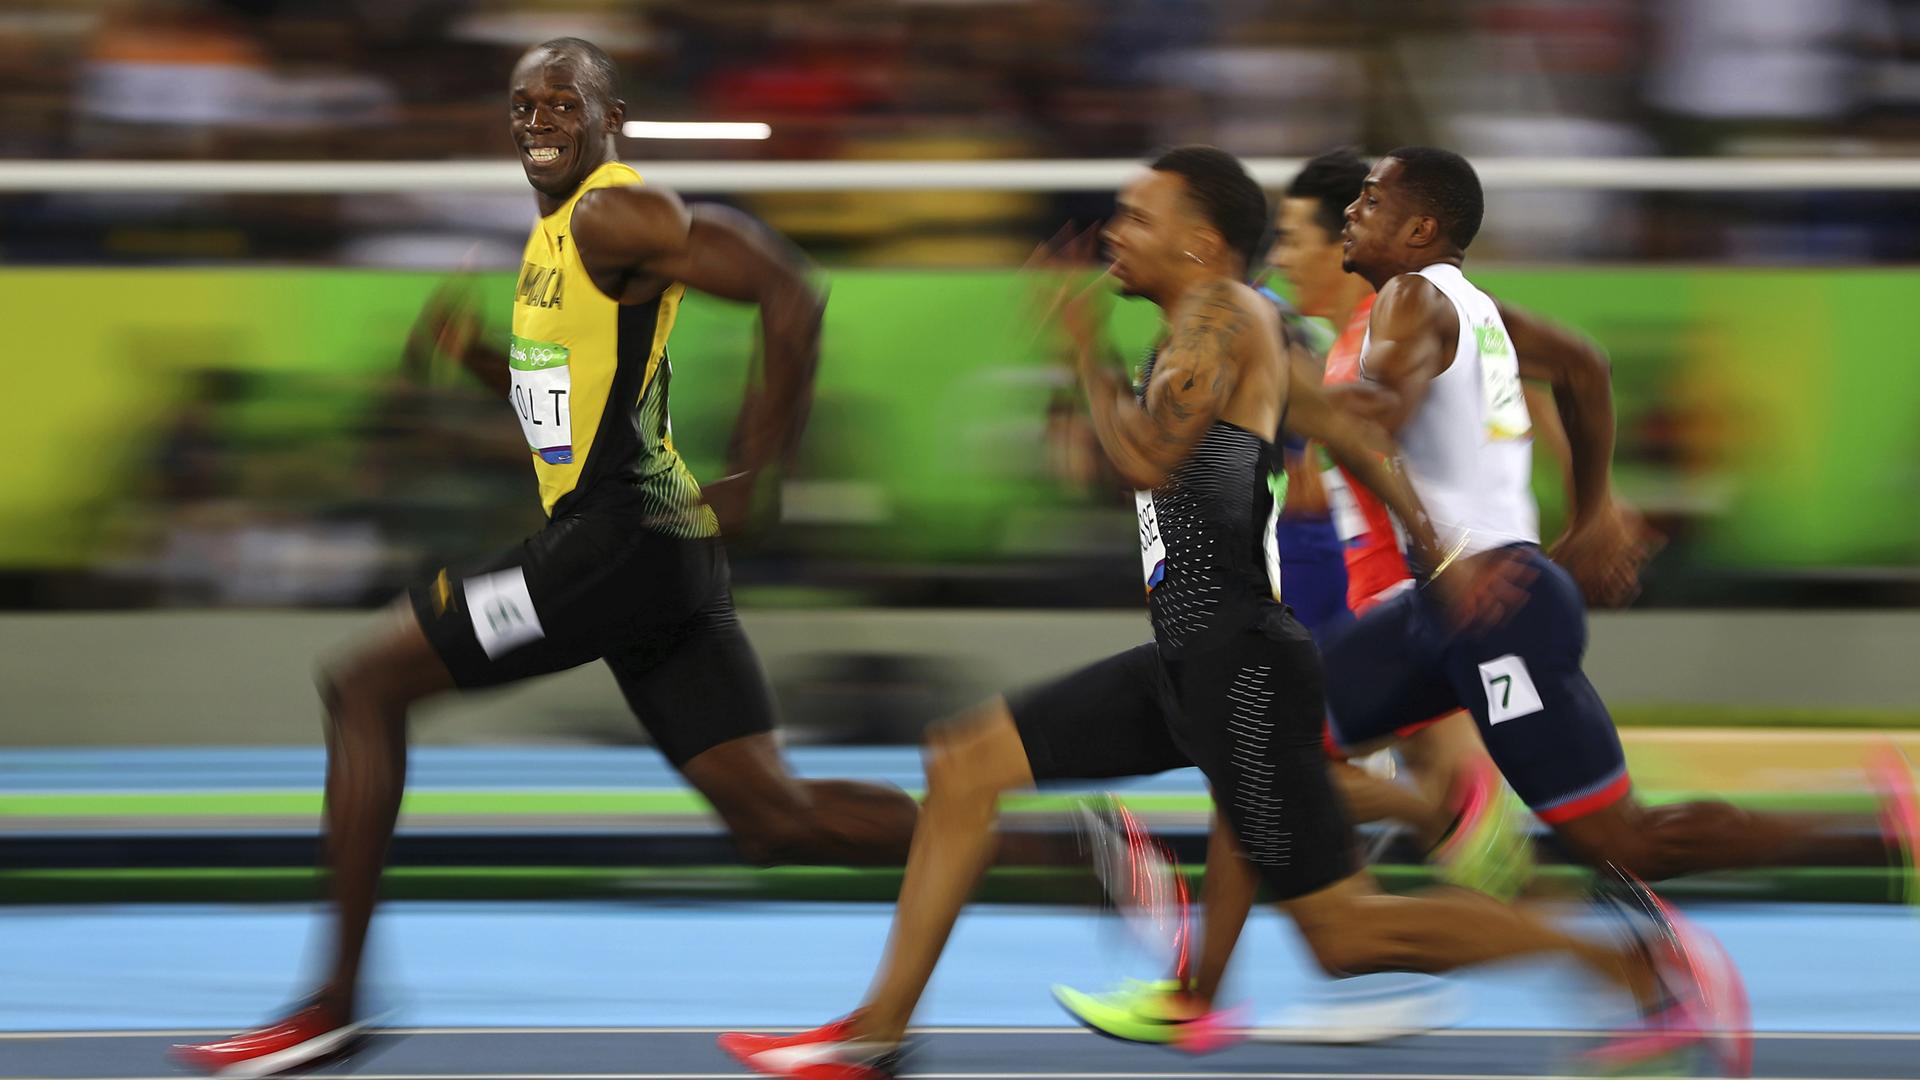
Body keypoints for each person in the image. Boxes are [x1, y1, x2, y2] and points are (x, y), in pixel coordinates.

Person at [717, 146, 1732, 1080]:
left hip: (1241, 671)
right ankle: (879, 1032)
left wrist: (1077, 351)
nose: (1114, 232)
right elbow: (1348, 434)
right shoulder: (1209, 339)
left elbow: (1142, 456)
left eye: (1134, 216)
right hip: (1187, 660)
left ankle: (1625, 974)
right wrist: (1438, 547)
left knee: (1347, 938)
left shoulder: (1226, 316)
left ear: (1199, 241)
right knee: (963, 763)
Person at [1060, 146, 1920, 1054]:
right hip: (1440, 612)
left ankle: (1862, 834)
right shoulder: (1463, 307)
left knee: (1623, 838)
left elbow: (1375, 415)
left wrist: (1256, 394)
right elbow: (1584, 365)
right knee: (1274, 736)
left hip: (1490, 609)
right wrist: (1592, 509)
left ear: (1422, 230)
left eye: (1373, 202)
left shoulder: (1411, 300)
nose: (1355, 212)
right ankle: (1205, 983)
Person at [172, 38, 921, 1078]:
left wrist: (762, 472)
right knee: (771, 817)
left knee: (362, 687)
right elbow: (567, 424)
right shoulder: (555, 243)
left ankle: (336, 1002)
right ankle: (1058, 848)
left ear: (614, 116)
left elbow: (793, 292)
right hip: (653, 556)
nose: (537, 119)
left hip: (615, 544)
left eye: (563, 101)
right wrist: (486, 363)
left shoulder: (617, 209)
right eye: (522, 103)